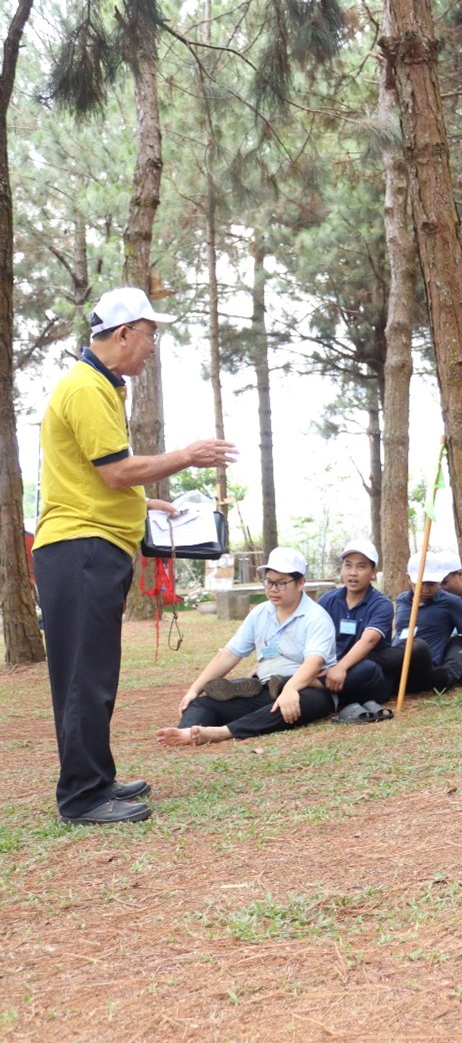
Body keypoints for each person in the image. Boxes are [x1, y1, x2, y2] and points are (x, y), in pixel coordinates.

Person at [33, 286, 237, 824]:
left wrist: (144, 503)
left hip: (86, 545)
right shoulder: (87, 388)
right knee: (85, 677)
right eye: (150, 336)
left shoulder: (100, 386)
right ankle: (83, 797)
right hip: (80, 548)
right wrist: (187, 456)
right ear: (123, 334)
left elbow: (86, 478)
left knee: (93, 673)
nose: (151, 348)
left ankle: (96, 779)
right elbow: (116, 471)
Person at [157, 548, 338, 746]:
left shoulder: (316, 617)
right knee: (202, 703)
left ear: (300, 582)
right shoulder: (260, 613)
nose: (273, 589)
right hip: (266, 688)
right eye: (268, 582)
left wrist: (291, 688)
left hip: (307, 688)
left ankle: (223, 732)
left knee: (293, 705)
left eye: (281, 583)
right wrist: (194, 689)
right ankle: (186, 732)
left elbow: (314, 663)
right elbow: (229, 655)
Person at [374, 552, 462, 693]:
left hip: (425, 669)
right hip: (396, 667)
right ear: (409, 578)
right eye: (420, 584)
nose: (426, 590)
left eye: (431, 584)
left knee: (419, 646)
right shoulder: (402, 600)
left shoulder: (452, 603)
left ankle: (371, 660)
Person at [317, 539, 396, 713]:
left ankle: (307, 685)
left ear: (373, 572)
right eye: (348, 565)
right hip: (330, 669)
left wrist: (340, 668)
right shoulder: (327, 600)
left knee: (368, 668)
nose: (353, 573)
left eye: (361, 567)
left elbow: (369, 641)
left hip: (365, 675)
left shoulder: (382, 605)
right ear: (341, 568)